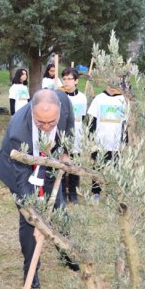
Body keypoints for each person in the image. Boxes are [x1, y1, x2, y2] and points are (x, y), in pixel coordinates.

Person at [0, 89, 77, 289]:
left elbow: (70, 125)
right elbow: (23, 182)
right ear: (32, 111)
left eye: (52, 122)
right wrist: (35, 216)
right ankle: (31, 269)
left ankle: (66, 252)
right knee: (29, 221)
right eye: (41, 123)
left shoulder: (64, 102)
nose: (47, 127)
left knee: (59, 209)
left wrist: (66, 152)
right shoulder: (18, 131)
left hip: (48, 161)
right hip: (17, 167)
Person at [87, 84, 127, 201]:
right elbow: (92, 120)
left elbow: (125, 123)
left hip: (115, 142)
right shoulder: (99, 98)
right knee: (96, 167)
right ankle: (96, 192)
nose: (113, 86)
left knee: (114, 168)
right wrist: (91, 138)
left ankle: (111, 193)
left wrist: (124, 141)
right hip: (99, 142)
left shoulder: (123, 100)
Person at [60, 67, 87, 203]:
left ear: (76, 81)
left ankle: (73, 192)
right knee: (62, 164)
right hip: (62, 135)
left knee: (75, 165)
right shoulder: (59, 95)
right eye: (64, 79)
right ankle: (62, 193)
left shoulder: (82, 98)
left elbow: (82, 118)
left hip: (76, 136)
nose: (66, 81)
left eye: (69, 79)